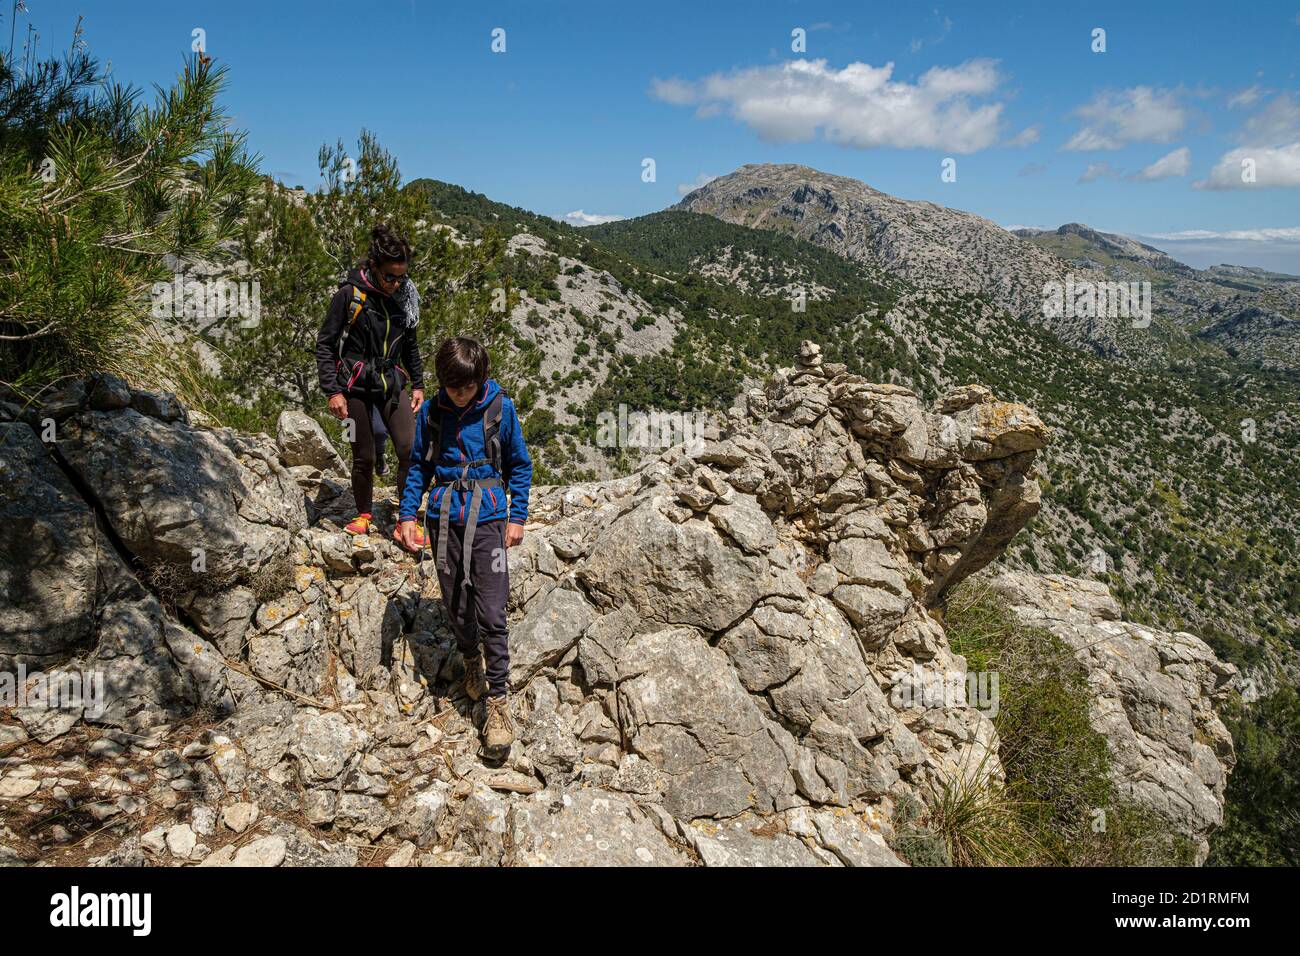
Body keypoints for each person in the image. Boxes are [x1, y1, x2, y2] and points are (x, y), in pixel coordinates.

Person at [398, 337, 532, 753]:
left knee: (492, 609)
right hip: (443, 521)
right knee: (456, 604)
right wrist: (407, 514)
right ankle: (470, 661)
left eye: (467, 387)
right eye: (453, 386)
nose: (460, 394)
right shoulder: (434, 413)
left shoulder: (499, 408)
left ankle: (497, 700)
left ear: (481, 379)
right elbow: (418, 465)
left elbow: (519, 464)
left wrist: (518, 516)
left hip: (489, 519)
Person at [315, 224, 426, 548]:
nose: (395, 284)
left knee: (409, 449)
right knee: (362, 454)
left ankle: (406, 518)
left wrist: (417, 384)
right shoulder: (349, 295)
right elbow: (325, 344)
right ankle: (364, 513)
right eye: (389, 276)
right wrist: (333, 391)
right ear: (374, 267)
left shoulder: (405, 298)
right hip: (354, 386)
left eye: (401, 277)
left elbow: (410, 346)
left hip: (392, 382)